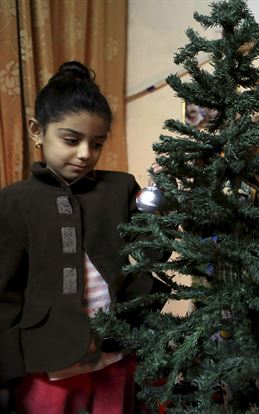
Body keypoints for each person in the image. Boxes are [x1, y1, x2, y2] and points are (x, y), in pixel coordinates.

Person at [0, 61, 167, 414]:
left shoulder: (120, 187)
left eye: (97, 143)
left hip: (116, 352)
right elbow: (5, 293)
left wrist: (163, 200)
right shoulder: (13, 201)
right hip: (46, 363)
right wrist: (7, 371)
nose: (85, 154)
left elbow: (155, 251)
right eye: (71, 140)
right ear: (36, 131)